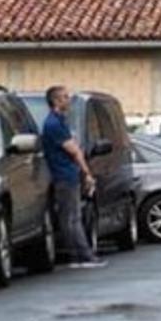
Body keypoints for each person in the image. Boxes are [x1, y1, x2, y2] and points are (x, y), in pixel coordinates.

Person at [40, 85, 106, 268]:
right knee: (72, 217)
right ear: (55, 101)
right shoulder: (53, 124)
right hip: (65, 175)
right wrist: (87, 172)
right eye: (64, 97)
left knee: (71, 217)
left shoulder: (59, 121)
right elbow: (75, 151)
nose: (68, 100)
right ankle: (82, 256)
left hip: (67, 174)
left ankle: (79, 255)